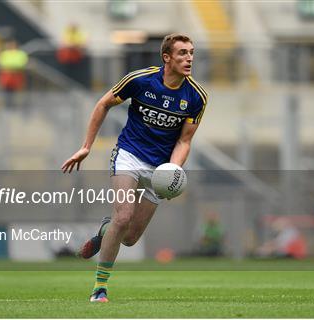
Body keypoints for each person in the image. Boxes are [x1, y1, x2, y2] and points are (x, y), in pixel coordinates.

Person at [61, 33, 207, 303]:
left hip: (160, 166)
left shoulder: (196, 97)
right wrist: (86, 145)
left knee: (129, 238)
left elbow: (185, 140)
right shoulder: (139, 80)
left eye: (191, 53)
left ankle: (107, 230)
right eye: (182, 53)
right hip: (129, 154)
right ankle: (99, 288)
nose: (189, 58)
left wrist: (172, 170)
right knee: (124, 215)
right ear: (167, 57)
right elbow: (104, 103)